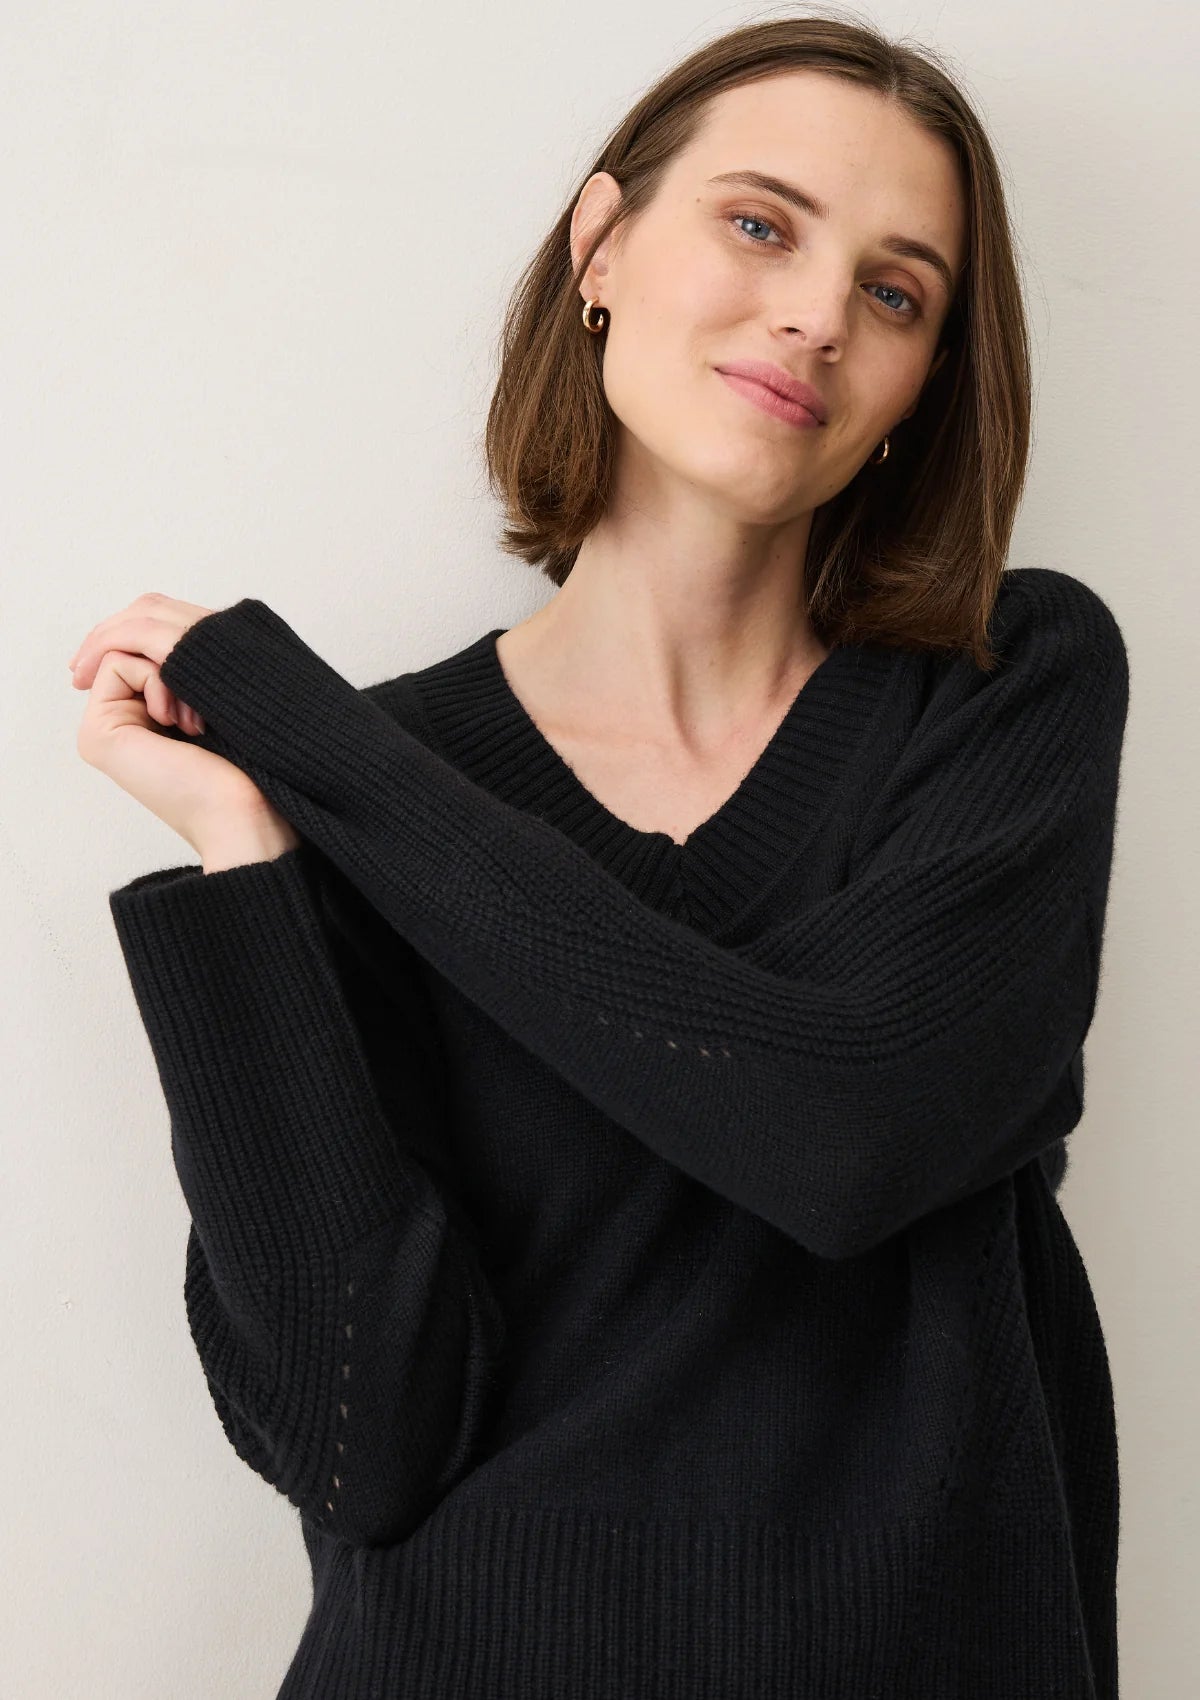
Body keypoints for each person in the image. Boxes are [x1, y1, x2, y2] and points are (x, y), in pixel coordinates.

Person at [70, 15, 1130, 1698]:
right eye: (761, 224)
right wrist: (249, 859)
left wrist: (322, 746)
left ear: (925, 383)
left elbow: (840, 1136)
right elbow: (357, 1440)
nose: (815, 313)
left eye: (895, 292)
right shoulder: (343, 796)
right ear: (603, 247)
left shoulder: (1003, 690)